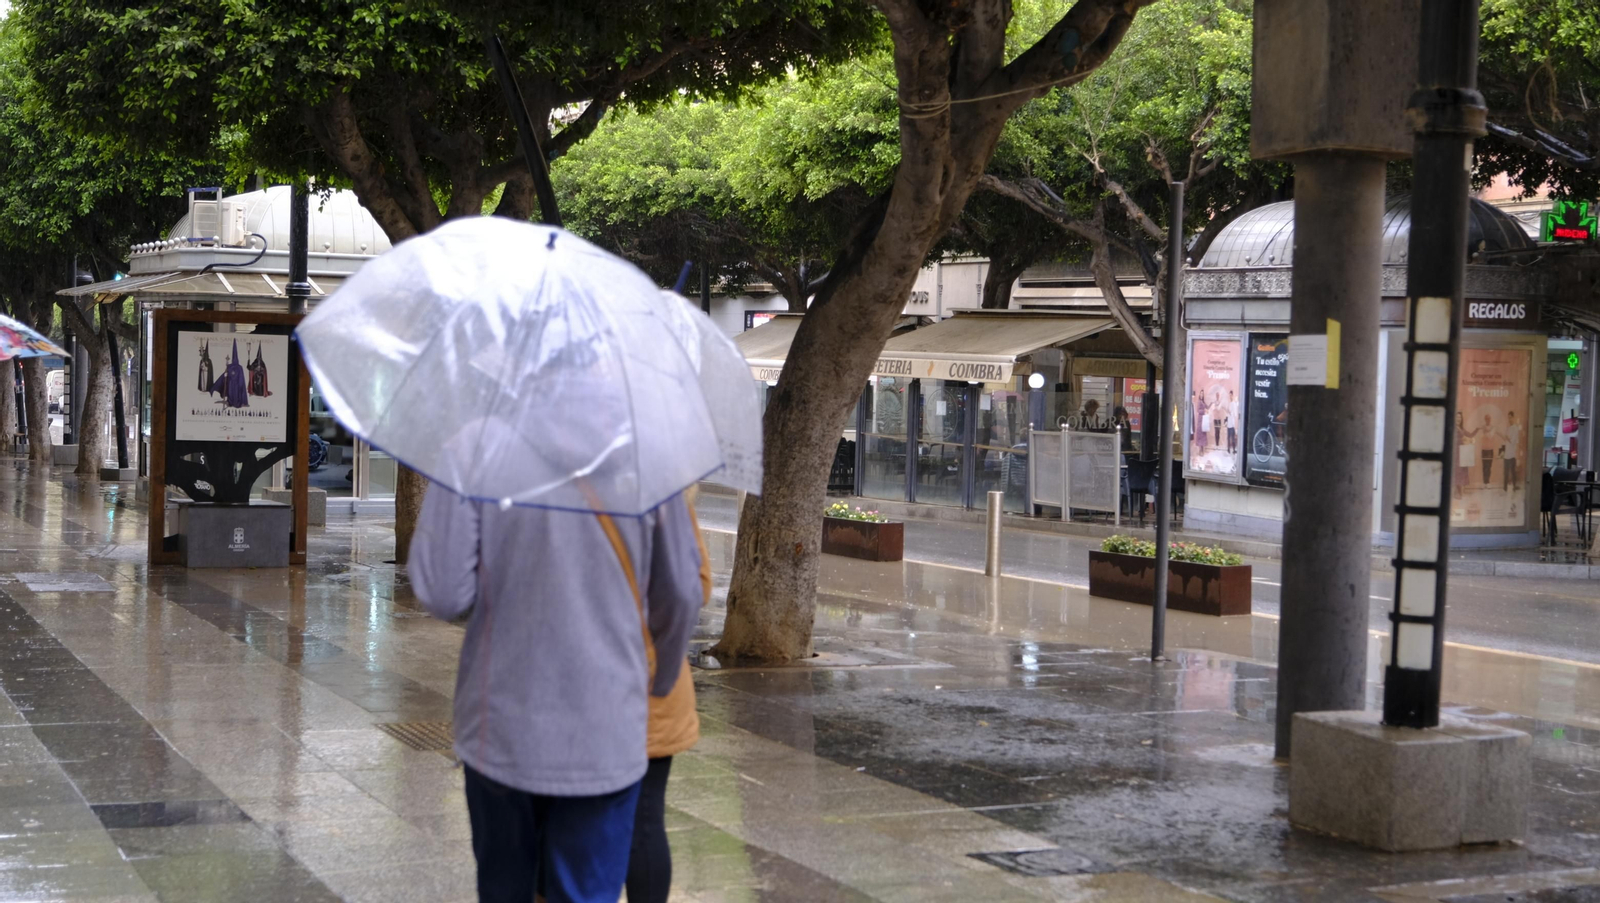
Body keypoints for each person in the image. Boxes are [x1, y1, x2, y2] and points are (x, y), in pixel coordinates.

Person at [409, 485, 705, 903]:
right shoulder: (649, 455)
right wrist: (662, 676)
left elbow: (442, 592)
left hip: (502, 723)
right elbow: (682, 593)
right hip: (606, 723)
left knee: (504, 887)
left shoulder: (477, 445)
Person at [628, 491, 714, 903]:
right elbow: (692, 587)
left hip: (575, 686)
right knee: (644, 821)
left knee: (557, 824)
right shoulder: (661, 486)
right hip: (650, 680)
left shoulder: (536, 482)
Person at [1454, 411, 1475, 500]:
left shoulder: (1461, 428)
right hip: (1455, 452)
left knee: (1461, 472)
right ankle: (1456, 492)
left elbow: (1470, 435)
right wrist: (1463, 440)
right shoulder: (1454, 428)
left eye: (1460, 417)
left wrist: (1477, 429)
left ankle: (1459, 492)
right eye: (1457, 417)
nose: (1459, 419)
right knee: (1456, 471)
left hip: (1461, 452)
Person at [1478, 413, 1500, 487]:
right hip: (1484, 449)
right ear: (1485, 419)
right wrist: (1486, 432)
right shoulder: (1483, 427)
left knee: (1489, 466)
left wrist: (1486, 432)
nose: (1488, 420)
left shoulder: (1493, 427)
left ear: (1490, 419)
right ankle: (1485, 483)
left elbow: (1490, 436)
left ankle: (1488, 482)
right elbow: (1484, 435)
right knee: (1484, 466)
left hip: (1490, 449)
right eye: (1486, 419)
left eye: (1489, 418)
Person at [1226, 390, 1240, 455]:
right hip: (1229, 423)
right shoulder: (1229, 403)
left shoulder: (1234, 404)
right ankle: (1228, 449)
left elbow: (1235, 414)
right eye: (1229, 395)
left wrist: (1230, 413)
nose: (1230, 397)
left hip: (1232, 423)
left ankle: (1234, 449)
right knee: (1228, 437)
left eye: (1231, 395)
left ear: (1232, 395)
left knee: (1232, 437)